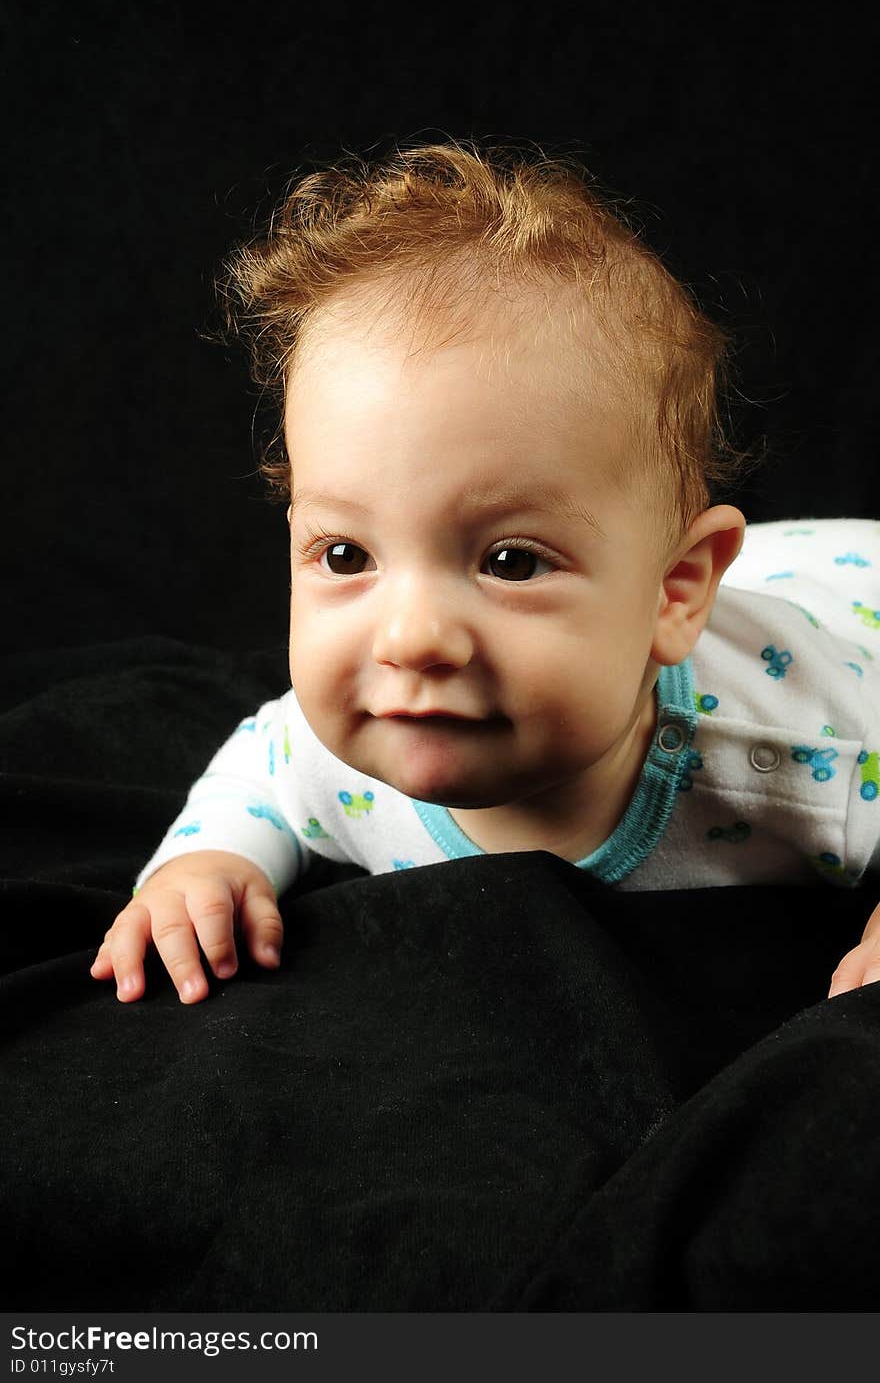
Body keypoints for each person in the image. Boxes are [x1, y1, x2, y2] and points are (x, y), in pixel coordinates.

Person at [90, 140, 880, 1007]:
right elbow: (260, 772)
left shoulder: (802, 753)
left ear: (675, 590)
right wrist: (206, 862)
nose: (412, 638)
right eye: (347, 555)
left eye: (509, 562)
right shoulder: (340, 757)